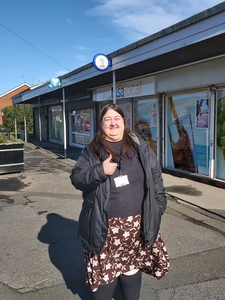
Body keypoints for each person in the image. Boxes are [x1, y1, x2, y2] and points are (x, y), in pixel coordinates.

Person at [70, 103, 169, 300]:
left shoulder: (139, 145)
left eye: (117, 118)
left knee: (131, 270)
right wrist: (99, 171)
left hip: (137, 226)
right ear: (101, 124)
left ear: (124, 121)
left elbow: (155, 176)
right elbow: (77, 179)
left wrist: (158, 206)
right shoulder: (92, 150)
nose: (113, 123)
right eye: (108, 119)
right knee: (105, 278)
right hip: (105, 229)